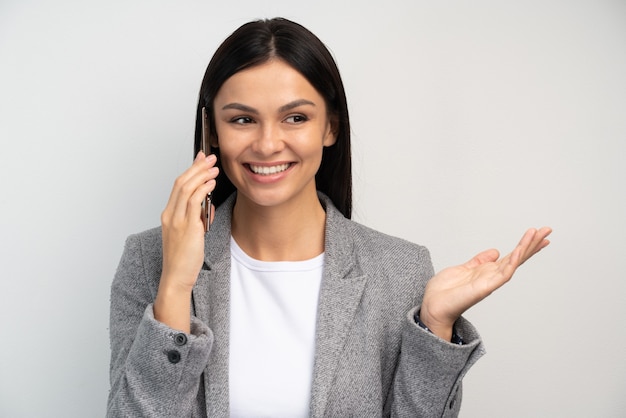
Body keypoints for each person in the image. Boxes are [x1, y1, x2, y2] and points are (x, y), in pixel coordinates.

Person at [107, 17, 551, 417]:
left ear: (331, 127)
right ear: (212, 133)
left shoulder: (401, 271)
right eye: (242, 120)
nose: (266, 144)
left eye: (295, 117)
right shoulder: (148, 260)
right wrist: (175, 288)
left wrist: (434, 326)